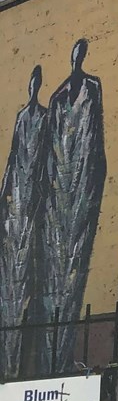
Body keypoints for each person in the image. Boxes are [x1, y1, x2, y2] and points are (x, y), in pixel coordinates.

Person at [33, 40, 106, 373]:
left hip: (82, 184)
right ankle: (50, 358)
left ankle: (61, 357)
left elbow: (98, 128)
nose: (78, 54)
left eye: (82, 50)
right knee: (54, 272)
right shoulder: (57, 96)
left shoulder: (93, 86)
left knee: (75, 264)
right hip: (58, 193)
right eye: (75, 50)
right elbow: (47, 147)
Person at [0, 67, 47, 378]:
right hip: (16, 194)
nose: (33, 85)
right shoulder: (21, 115)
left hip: (33, 195)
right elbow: (13, 155)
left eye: (37, 81)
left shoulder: (45, 116)